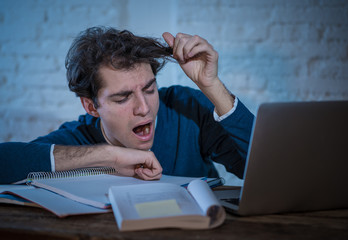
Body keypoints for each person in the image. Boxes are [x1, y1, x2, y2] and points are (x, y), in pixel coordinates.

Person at [0, 26, 254, 184]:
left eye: (149, 88)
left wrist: (211, 86)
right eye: (122, 98)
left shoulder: (185, 106)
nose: (144, 108)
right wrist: (107, 156)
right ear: (91, 107)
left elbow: (260, 170)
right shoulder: (77, 138)